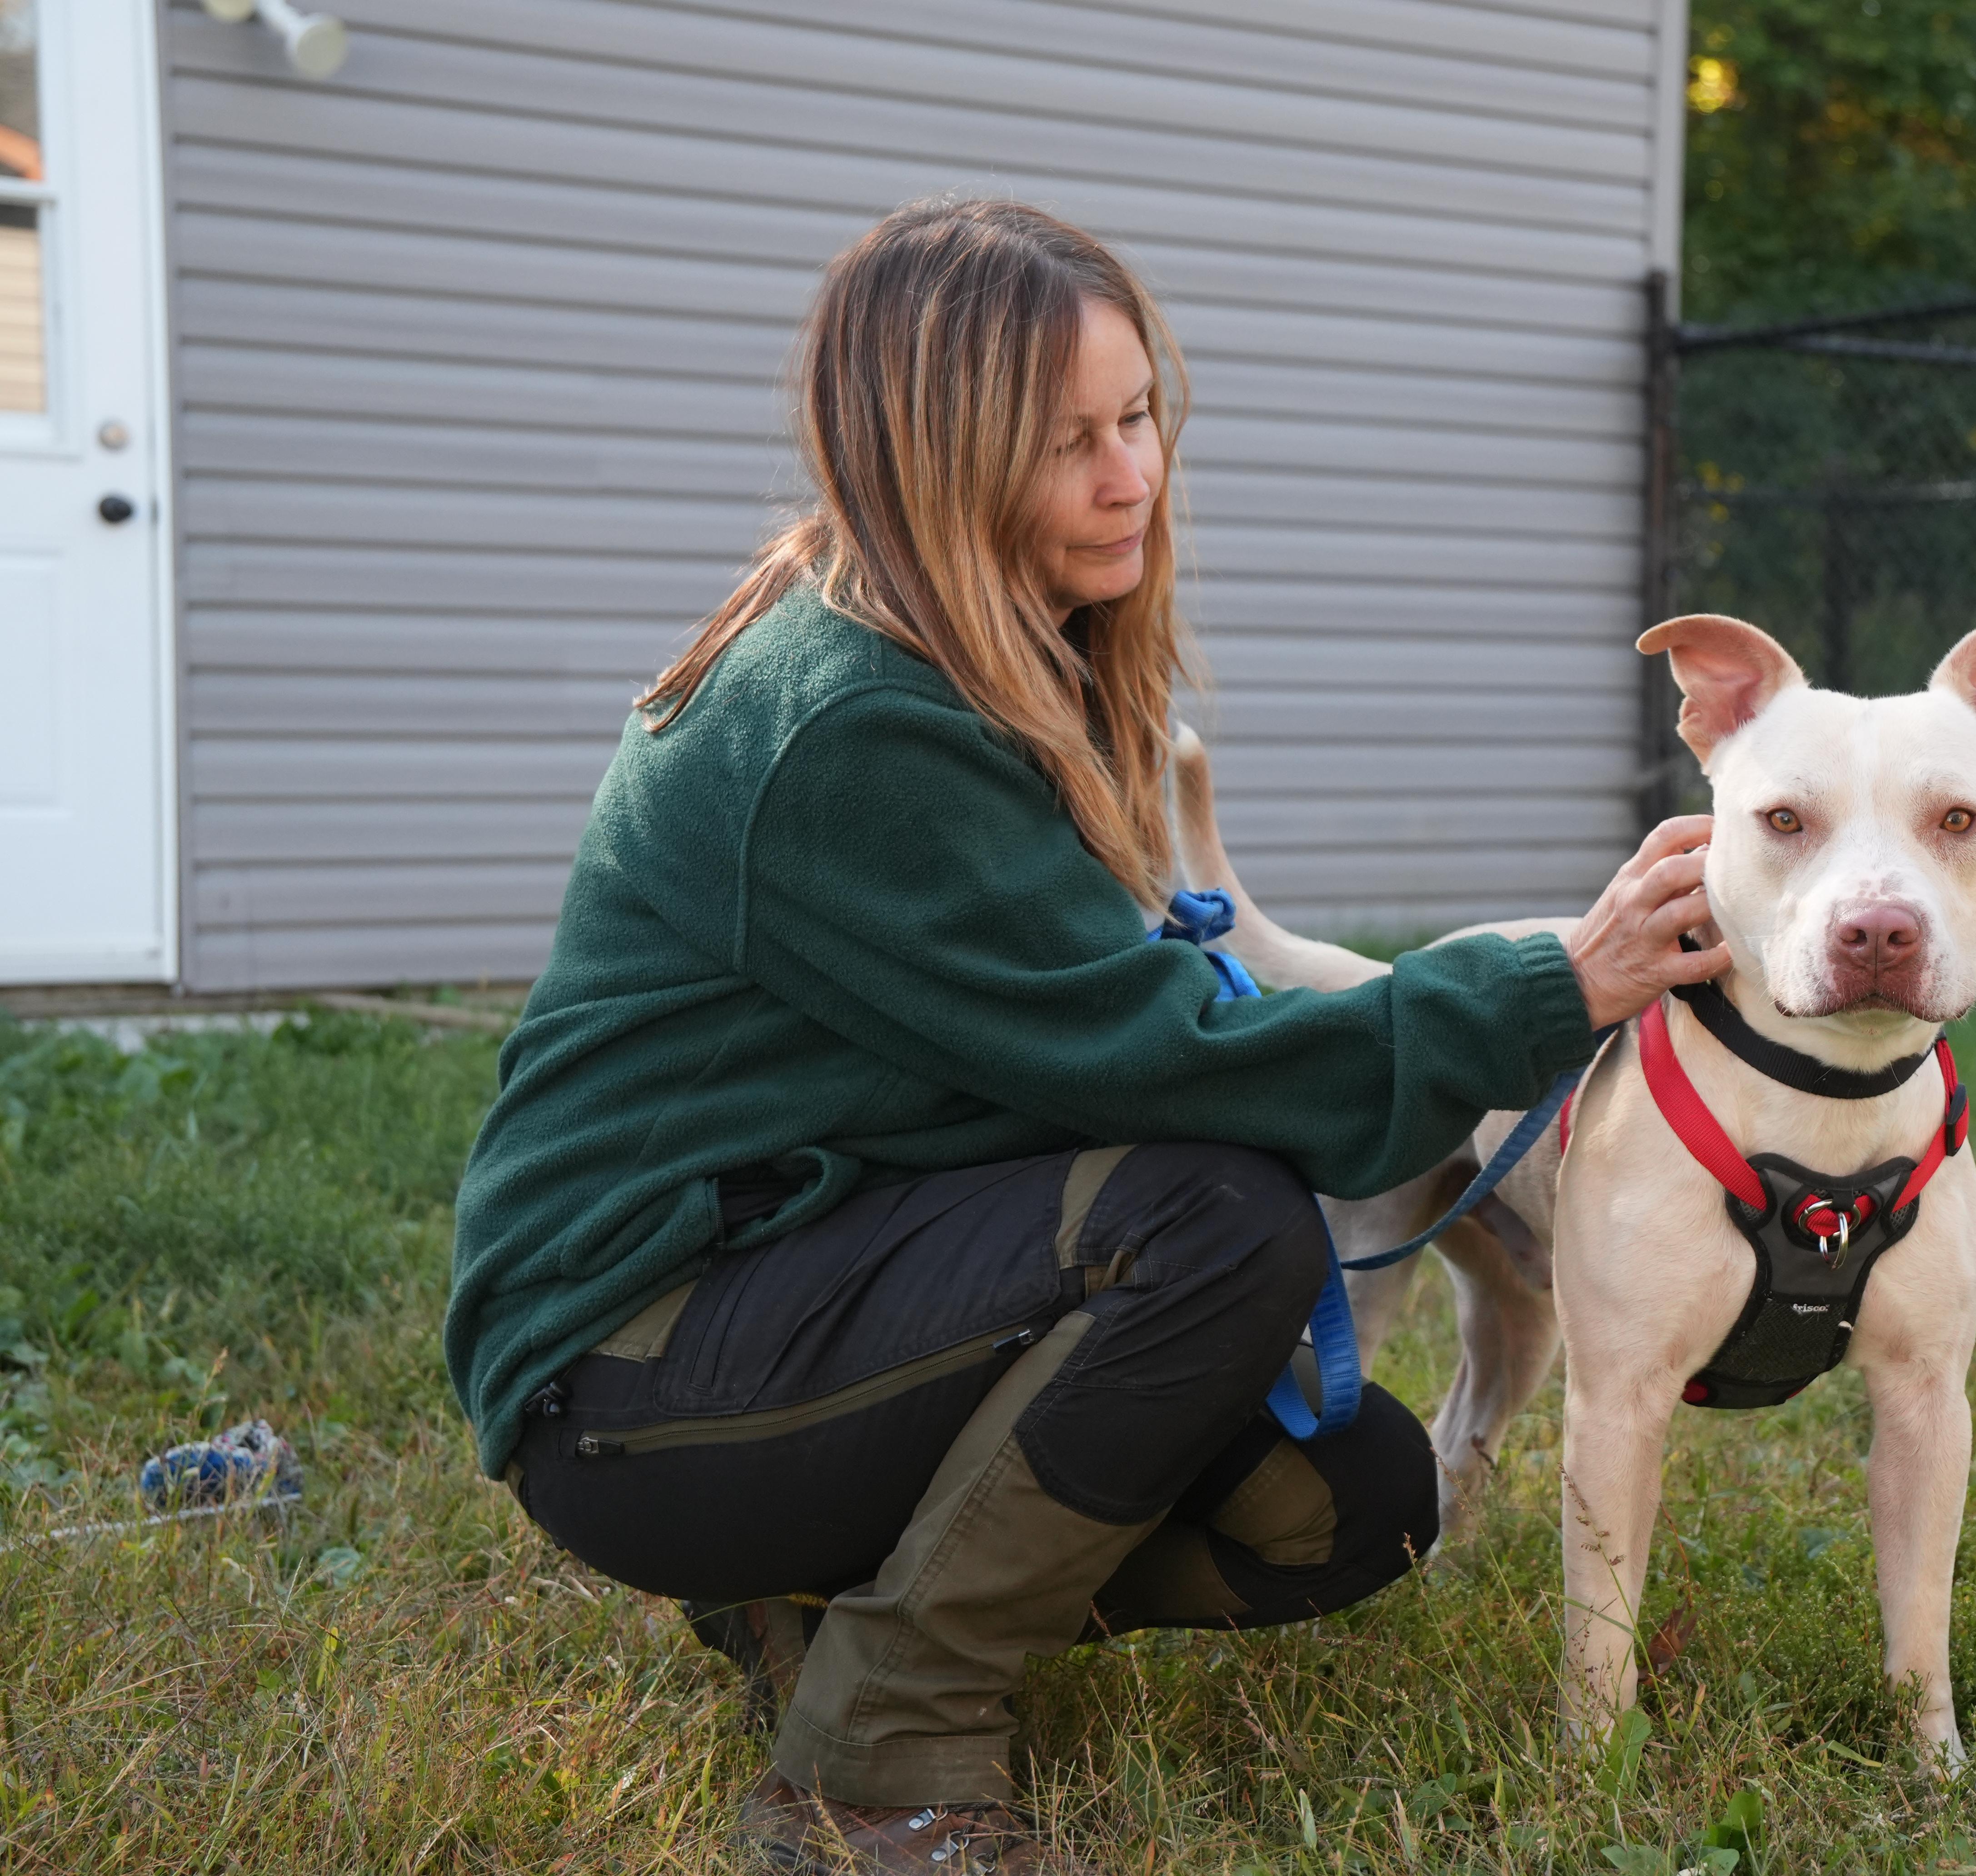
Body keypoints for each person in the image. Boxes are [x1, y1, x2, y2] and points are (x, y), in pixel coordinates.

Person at [444, 198, 1725, 1876]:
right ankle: (879, 1757)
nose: (1133, 477)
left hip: (789, 1295)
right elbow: (1180, 1062)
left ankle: (816, 1610)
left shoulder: (955, 649)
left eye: (1140, 421)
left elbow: (1125, 1039)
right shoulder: (847, 724)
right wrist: (1556, 984)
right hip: (629, 1377)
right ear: (934, 460)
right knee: (1204, 1227)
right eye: (1069, 443)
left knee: (1347, 1500)